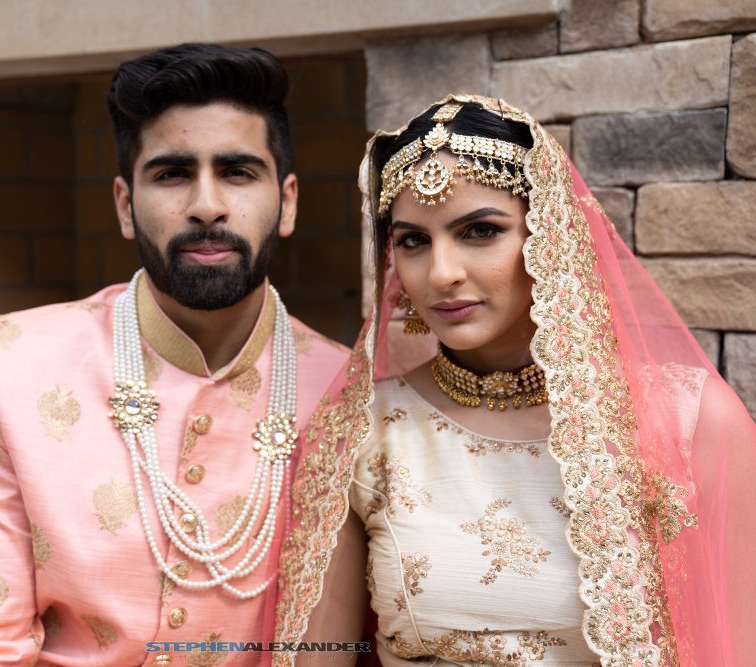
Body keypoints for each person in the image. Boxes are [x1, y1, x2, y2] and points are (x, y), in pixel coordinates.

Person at [273, 94, 756, 666]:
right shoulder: (361, 430)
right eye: (413, 241)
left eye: (480, 231)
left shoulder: (688, 420)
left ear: (549, 237)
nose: (442, 273)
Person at [0, 43, 348, 666]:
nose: (207, 205)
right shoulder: (13, 364)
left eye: (237, 172)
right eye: (172, 174)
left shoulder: (347, 391)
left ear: (287, 202)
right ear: (126, 206)